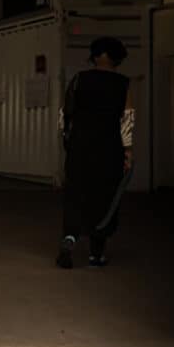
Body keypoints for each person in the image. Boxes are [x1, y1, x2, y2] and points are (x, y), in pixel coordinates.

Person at [58, 36, 133, 268]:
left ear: (95, 56)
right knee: (104, 196)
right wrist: (128, 152)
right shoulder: (123, 83)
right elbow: (127, 121)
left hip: (80, 146)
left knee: (76, 192)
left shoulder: (79, 79)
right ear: (115, 58)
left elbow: (64, 115)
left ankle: (70, 238)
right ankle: (96, 253)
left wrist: (67, 141)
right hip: (109, 148)